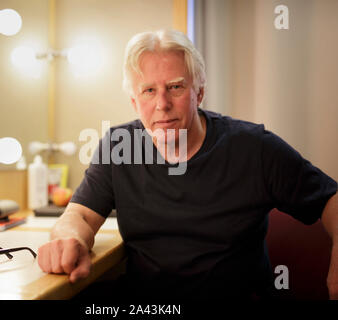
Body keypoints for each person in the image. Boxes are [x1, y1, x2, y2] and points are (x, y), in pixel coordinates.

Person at [37, 29, 338, 300]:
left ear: (200, 93)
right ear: (134, 101)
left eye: (176, 87)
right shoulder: (119, 146)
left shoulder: (253, 147)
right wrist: (70, 238)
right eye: (149, 90)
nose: (162, 104)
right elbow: (80, 215)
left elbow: (330, 199)